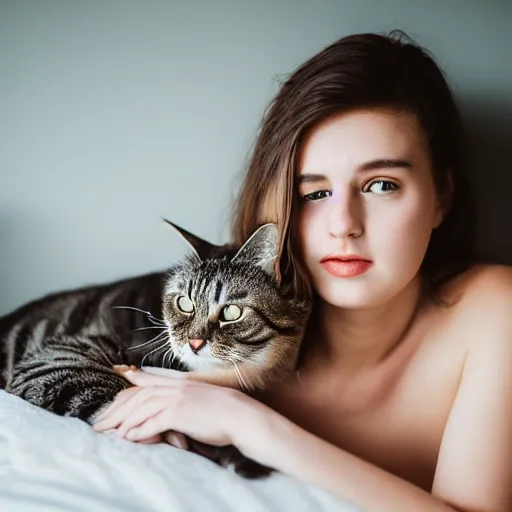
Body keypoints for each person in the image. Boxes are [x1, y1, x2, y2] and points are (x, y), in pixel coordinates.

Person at [93, 31, 512, 512]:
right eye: (314, 193)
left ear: (442, 196)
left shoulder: (494, 312)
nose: (344, 227)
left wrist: (253, 426)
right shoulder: (224, 344)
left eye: (380, 185)